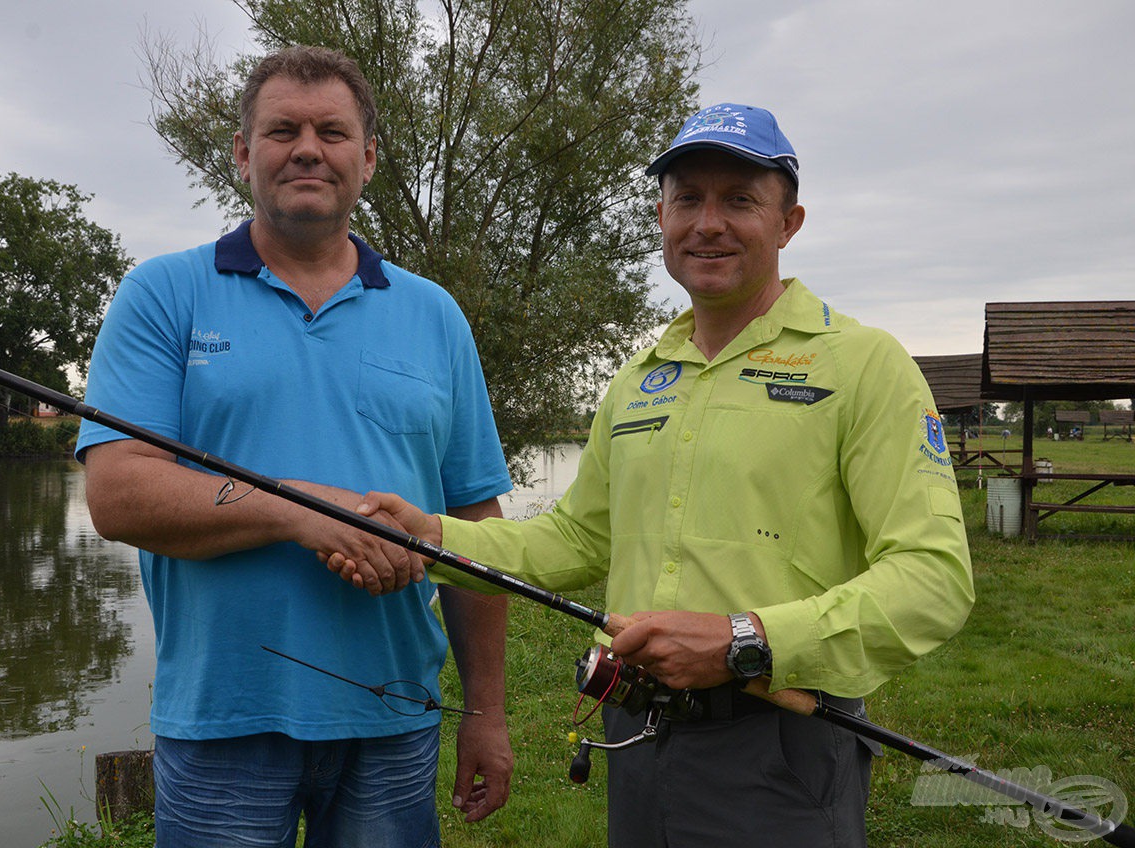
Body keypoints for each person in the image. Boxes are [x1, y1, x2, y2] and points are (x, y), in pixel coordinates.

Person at [332, 103, 975, 846]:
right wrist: (433, 537)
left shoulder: (863, 366)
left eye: (740, 200)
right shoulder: (641, 379)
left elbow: (933, 577)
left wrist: (746, 638)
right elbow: (574, 539)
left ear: (789, 223)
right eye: (688, 199)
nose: (709, 223)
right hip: (638, 734)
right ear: (661, 218)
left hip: (782, 745)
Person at [76, 46, 514, 848]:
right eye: (282, 129)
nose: (308, 147)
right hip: (221, 725)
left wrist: (486, 711)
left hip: (395, 720)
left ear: (369, 157)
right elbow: (116, 494)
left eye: (332, 131)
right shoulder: (162, 294)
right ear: (243, 153)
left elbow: (475, 520)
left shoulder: (436, 315)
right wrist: (301, 511)